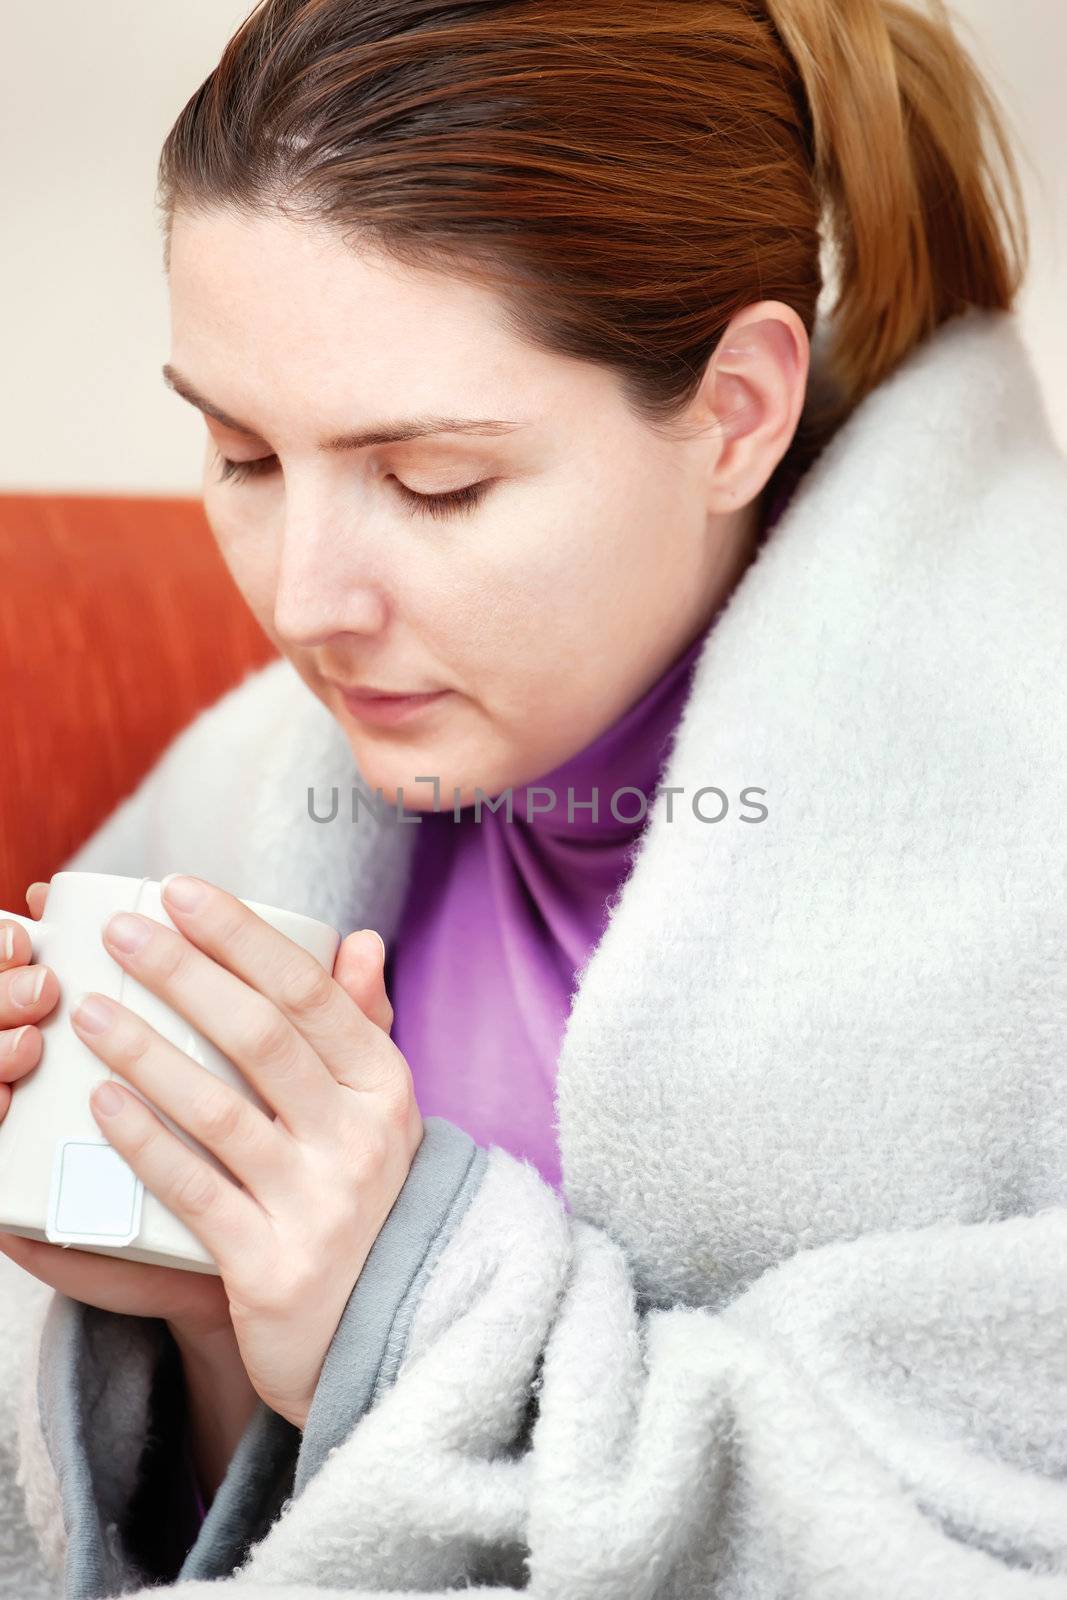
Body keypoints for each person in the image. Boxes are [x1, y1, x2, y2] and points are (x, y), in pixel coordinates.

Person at [2, 0, 1065, 1595]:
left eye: (437, 485)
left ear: (737, 411)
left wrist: (409, 1294)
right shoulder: (235, 802)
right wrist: (201, 1315)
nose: (304, 603)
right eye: (240, 455)